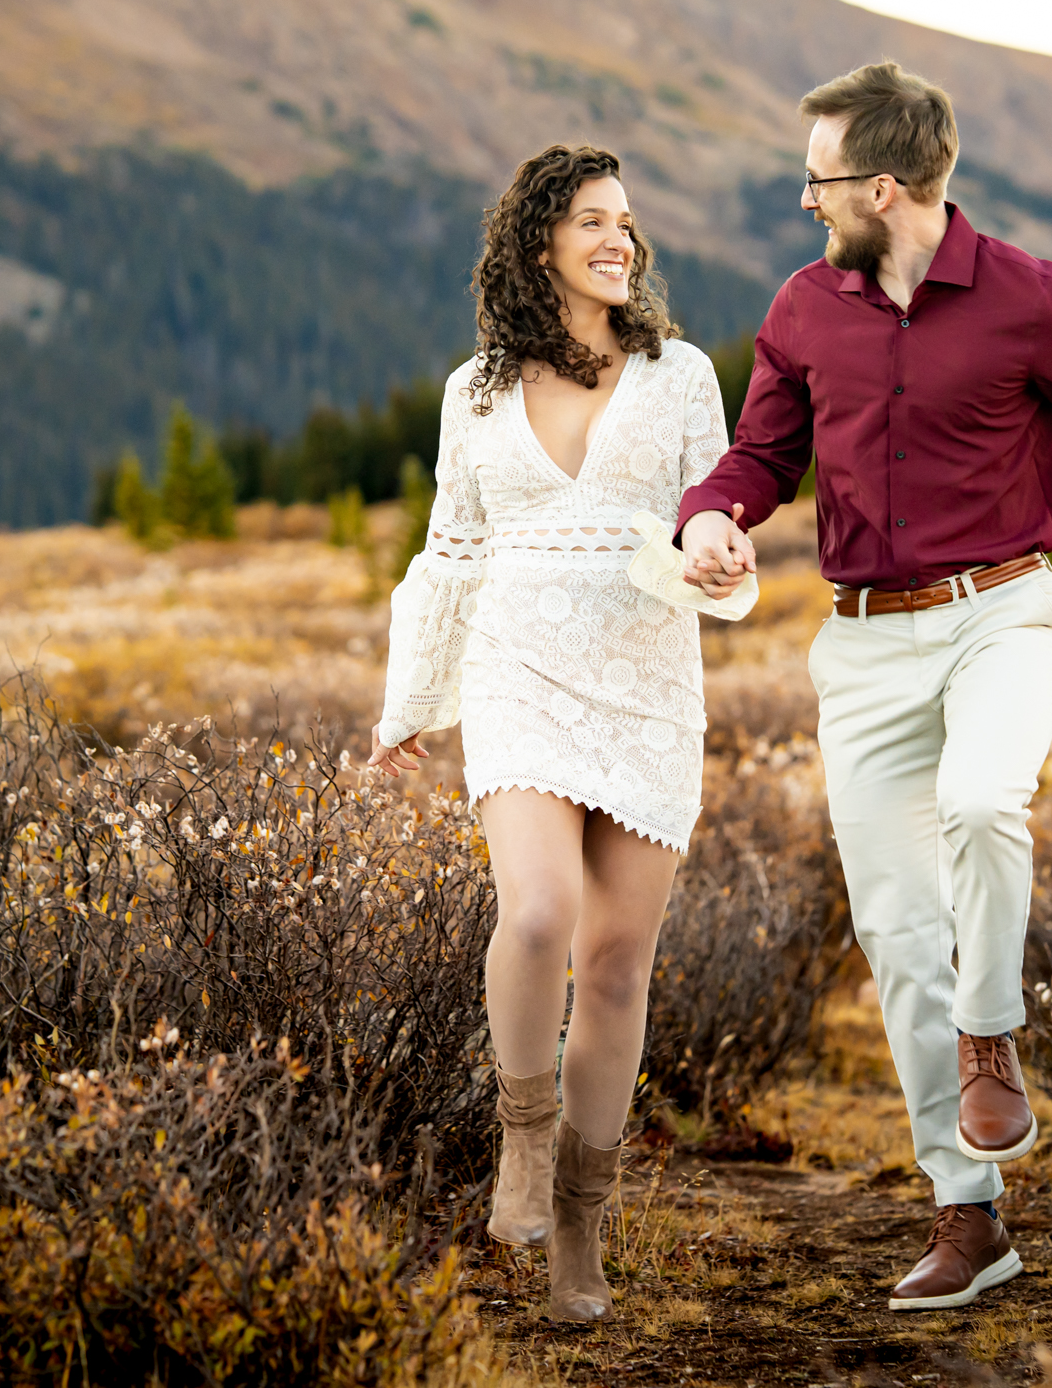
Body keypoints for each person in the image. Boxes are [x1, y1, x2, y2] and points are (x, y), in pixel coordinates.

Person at [677, 61, 1052, 1312]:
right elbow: (764, 455)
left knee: (979, 803)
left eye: (816, 179)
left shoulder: (1035, 301)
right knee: (900, 937)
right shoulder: (804, 309)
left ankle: (990, 1031)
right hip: (860, 645)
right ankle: (967, 1216)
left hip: (1002, 618)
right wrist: (710, 516)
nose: (802, 202)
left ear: (886, 186)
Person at [370, 143, 737, 1324]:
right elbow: (451, 551)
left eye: (626, 221)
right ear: (539, 247)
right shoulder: (471, 390)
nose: (618, 239)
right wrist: (409, 706)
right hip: (517, 669)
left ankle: (579, 1227)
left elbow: (716, 522)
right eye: (591, 221)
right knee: (536, 914)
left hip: (644, 679)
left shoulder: (680, 376)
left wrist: (720, 548)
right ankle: (521, 1144)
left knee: (620, 965)